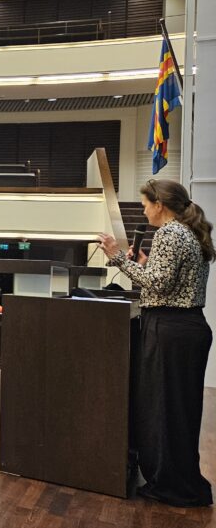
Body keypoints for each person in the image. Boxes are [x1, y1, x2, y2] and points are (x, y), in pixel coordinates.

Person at [98, 179, 214, 507]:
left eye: (146, 204)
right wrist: (145, 263)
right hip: (188, 328)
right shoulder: (186, 232)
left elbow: (158, 285)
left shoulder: (168, 233)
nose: (144, 210)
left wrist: (119, 258)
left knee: (163, 408)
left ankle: (172, 485)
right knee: (180, 409)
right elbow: (168, 278)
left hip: (169, 329)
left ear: (160, 204)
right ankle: (181, 480)